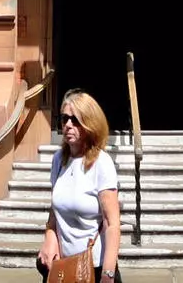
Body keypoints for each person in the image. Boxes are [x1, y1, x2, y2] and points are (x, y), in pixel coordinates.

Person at [37, 90, 120, 283]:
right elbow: (54, 211)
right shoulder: (59, 160)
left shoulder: (102, 163)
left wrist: (109, 273)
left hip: (94, 267)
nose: (68, 125)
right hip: (63, 267)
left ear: (89, 124)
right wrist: (50, 237)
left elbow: (112, 223)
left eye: (75, 120)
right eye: (65, 118)